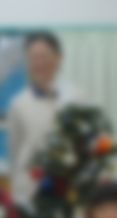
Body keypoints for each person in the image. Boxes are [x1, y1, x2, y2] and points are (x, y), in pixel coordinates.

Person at [7, 32, 85, 206]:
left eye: (44, 56)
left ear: (59, 57)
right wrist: (17, 184)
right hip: (33, 184)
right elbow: (15, 149)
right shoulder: (19, 103)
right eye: (33, 58)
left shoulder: (77, 97)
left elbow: (86, 141)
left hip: (71, 182)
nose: (39, 63)